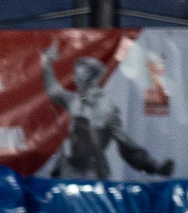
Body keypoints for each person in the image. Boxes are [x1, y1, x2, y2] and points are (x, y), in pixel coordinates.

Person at [39, 41, 175, 180]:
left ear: (87, 78)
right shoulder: (75, 100)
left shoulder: (107, 109)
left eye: (77, 76)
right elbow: (53, 91)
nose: (73, 79)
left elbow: (127, 147)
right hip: (68, 170)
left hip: (92, 174)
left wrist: (154, 166)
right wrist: (46, 61)